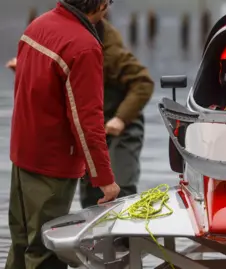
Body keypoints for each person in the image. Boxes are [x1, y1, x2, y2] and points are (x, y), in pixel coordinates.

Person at [6, 0, 121, 269]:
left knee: (22, 244)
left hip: (22, 153)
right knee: (47, 249)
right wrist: (104, 178)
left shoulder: (37, 25)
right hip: (52, 164)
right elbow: (87, 120)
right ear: (102, 4)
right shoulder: (84, 46)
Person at [79, 18, 154, 208]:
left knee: (121, 188)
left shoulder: (111, 51)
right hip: (93, 129)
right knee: (91, 191)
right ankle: (93, 234)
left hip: (122, 127)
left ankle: (125, 235)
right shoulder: (74, 42)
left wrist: (120, 119)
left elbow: (143, 83)